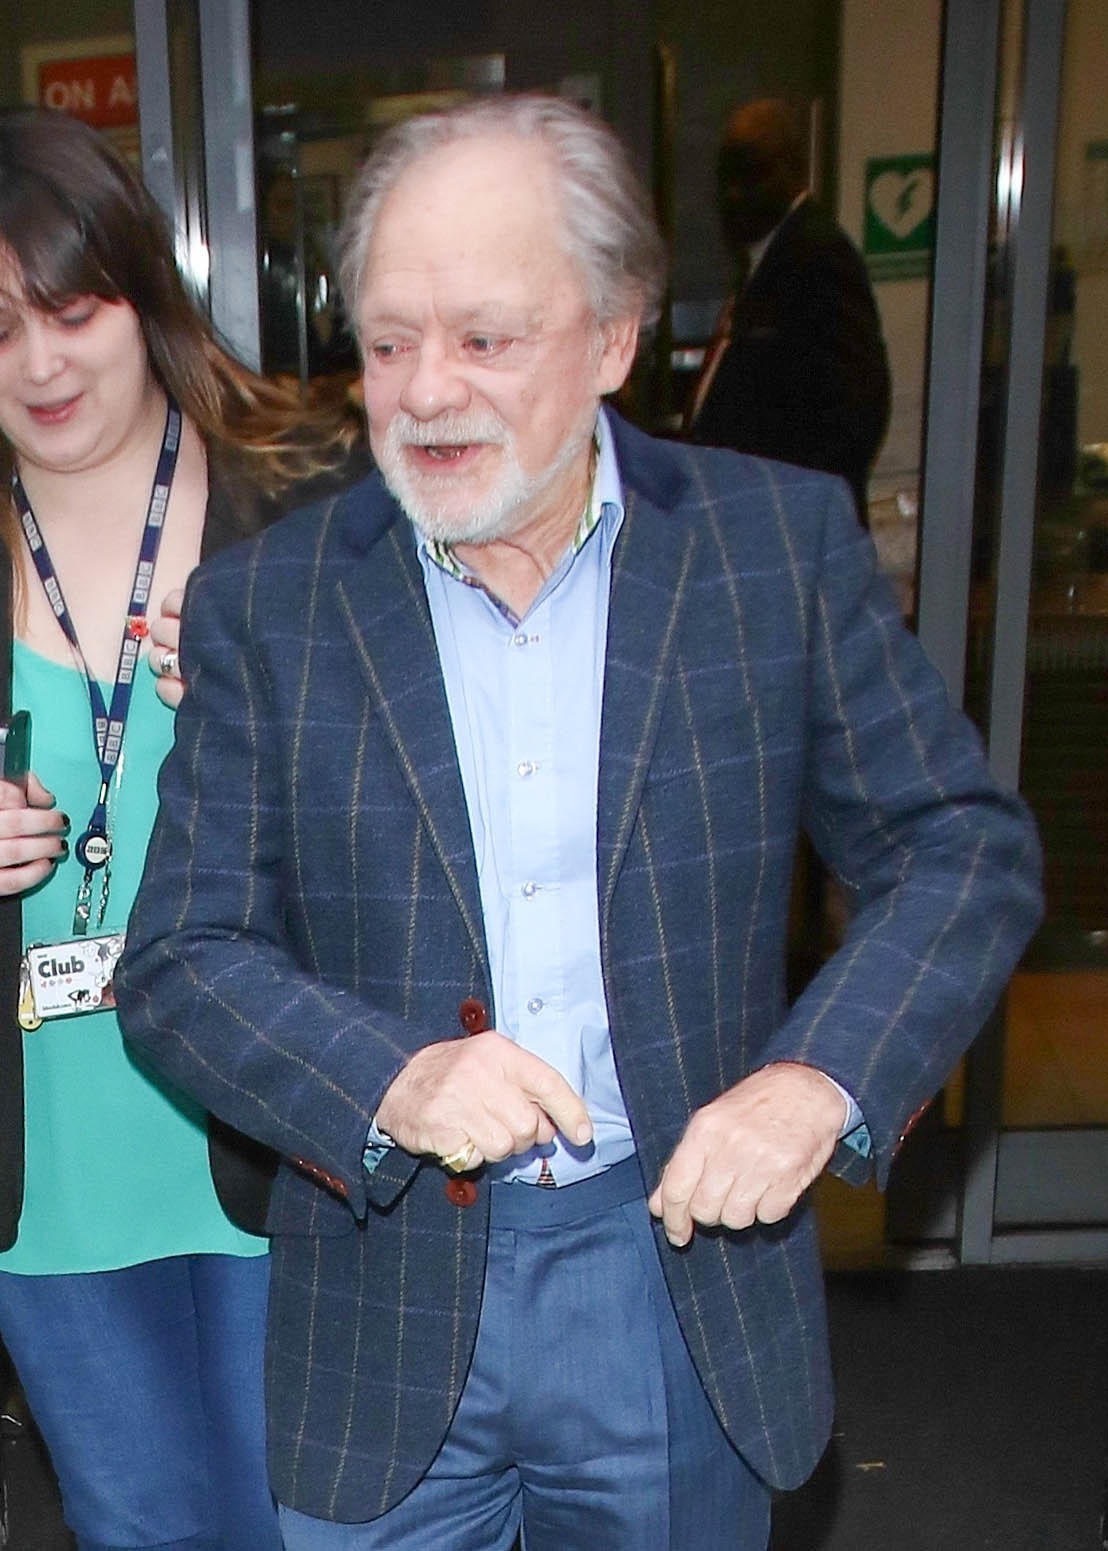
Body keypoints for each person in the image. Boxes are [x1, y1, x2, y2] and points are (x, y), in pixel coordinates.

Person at [116, 94, 1042, 1551]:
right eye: (387, 340)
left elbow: (959, 845)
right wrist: (393, 1080)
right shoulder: (272, 605)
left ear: (613, 337)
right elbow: (177, 957)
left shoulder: (768, 552)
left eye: (485, 338)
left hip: (666, 1266)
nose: (426, 391)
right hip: (382, 1280)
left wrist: (820, 1076)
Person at [0, 106, 355, 1551]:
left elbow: (458, 795)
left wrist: (286, 708)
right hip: (51, 1168)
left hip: (281, 1127)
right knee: (142, 1527)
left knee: (315, 1524)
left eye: (68, 311)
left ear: (143, 286)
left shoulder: (313, 495)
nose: (36, 365)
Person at [686, 97, 891, 524]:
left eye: (753, 175)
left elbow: (857, 410)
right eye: (727, 178)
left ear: (795, 172)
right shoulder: (765, 261)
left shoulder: (816, 258)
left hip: (789, 528)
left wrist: (787, 512)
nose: (735, 194)